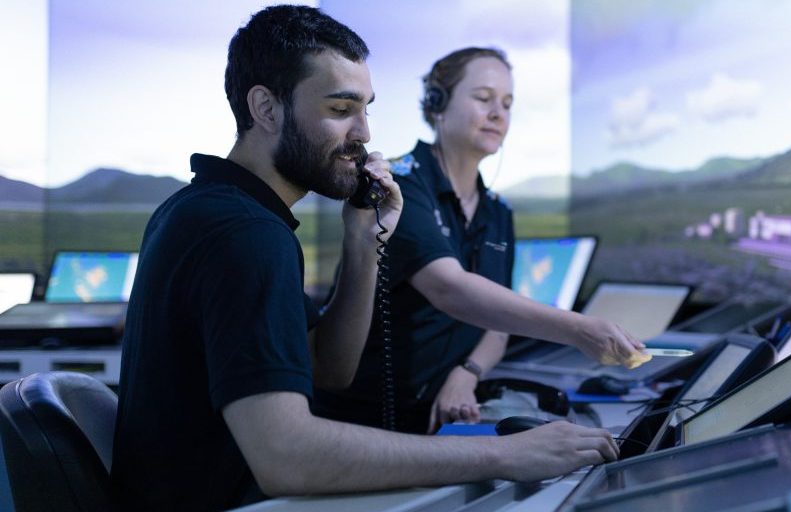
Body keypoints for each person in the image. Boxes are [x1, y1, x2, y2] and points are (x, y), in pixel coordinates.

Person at [110, 6, 618, 511]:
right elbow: (286, 456)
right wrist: (506, 453)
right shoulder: (243, 233)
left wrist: (362, 242)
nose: (365, 133)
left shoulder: (214, 208)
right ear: (266, 109)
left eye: (366, 109)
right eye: (340, 109)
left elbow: (329, 368)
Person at [314, 47, 647, 434]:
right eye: (483, 98)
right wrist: (578, 329)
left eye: (507, 104)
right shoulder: (398, 186)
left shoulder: (498, 212)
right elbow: (450, 289)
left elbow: (497, 326)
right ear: (438, 104)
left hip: (447, 418)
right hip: (363, 420)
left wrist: (467, 373)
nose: (498, 114)